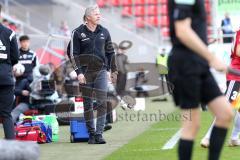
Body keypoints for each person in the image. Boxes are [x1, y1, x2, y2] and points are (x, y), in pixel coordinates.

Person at [168, 1, 233, 160]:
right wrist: (212, 58)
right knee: (191, 126)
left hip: (199, 63)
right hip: (186, 65)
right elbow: (182, 31)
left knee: (224, 113)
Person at [68, 4, 117, 144]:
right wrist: (79, 72)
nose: (99, 15)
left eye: (99, 13)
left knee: (102, 102)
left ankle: (99, 134)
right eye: (96, 14)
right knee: (88, 104)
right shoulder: (77, 32)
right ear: (88, 17)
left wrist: (110, 70)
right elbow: (72, 53)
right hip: (85, 73)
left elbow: (110, 52)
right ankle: (91, 134)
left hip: (101, 71)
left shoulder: (105, 31)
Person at [201, 28, 240, 147]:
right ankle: (208, 138)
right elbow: (238, 52)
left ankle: (234, 138)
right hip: (237, 74)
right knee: (226, 107)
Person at [0, 4, 19, 139]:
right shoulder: (10, 33)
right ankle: (11, 149)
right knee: (6, 114)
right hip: (5, 77)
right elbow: (15, 57)